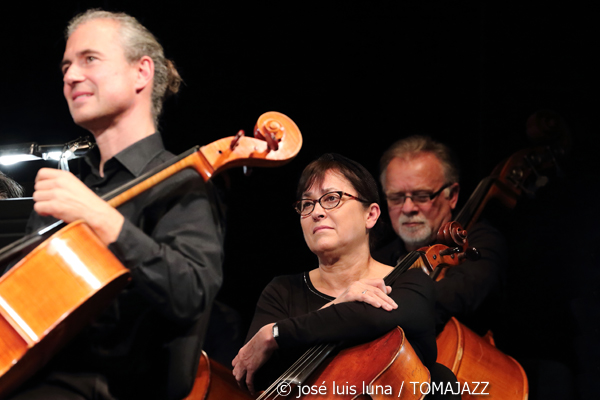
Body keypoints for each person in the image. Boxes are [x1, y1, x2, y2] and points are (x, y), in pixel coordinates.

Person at [8, 9, 223, 400]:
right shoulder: (65, 191)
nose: (71, 76)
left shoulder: (181, 181)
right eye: (66, 66)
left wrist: (100, 219)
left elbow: (191, 293)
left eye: (89, 59)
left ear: (141, 72)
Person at [232, 153, 450, 397]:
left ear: (371, 215)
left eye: (331, 198)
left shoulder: (409, 282)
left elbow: (373, 319)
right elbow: (253, 373)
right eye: (307, 204)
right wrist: (338, 304)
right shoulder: (282, 291)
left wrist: (275, 334)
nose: (316, 212)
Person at [373, 135, 507, 335]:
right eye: (396, 197)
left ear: (452, 195)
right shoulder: (377, 257)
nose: (408, 208)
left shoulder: (481, 242)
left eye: (422, 196)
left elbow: (454, 296)